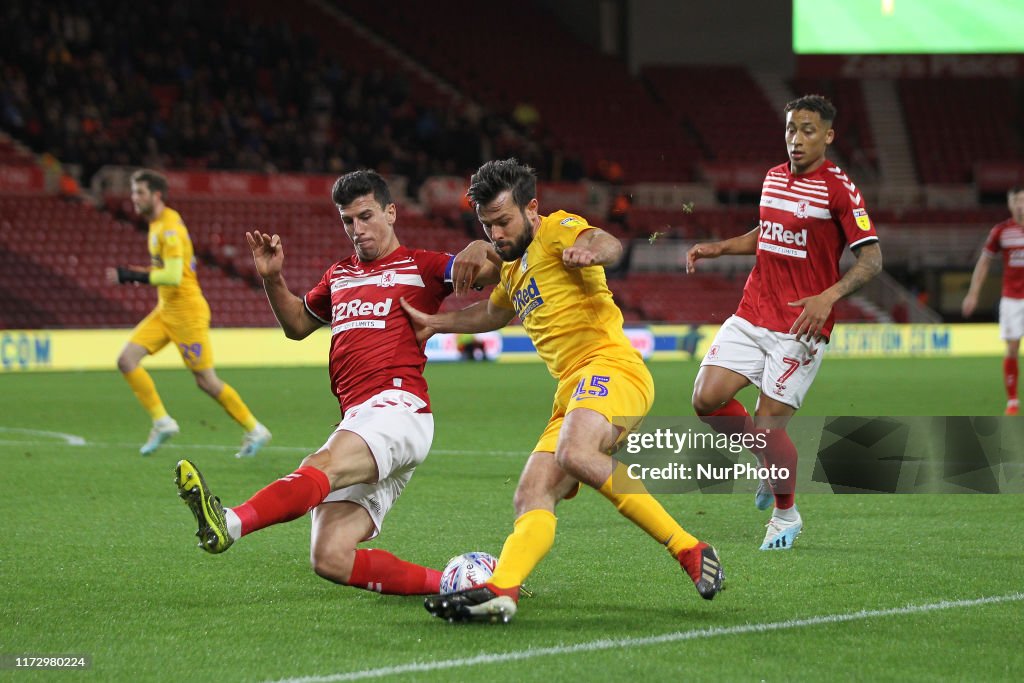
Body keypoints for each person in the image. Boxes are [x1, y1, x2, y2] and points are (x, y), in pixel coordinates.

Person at [402, 159, 723, 624]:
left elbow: (605, 241)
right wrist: (436, 323)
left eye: (503, 221)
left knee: (575, 452)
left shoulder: (558, 230)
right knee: (531, 494)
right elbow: (491, 315)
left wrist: (591, 252)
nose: (496, 235)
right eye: (486, 225)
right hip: (572, 391)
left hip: (613, 367)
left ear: (532, 208)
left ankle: (690, 549)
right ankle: (502, 590)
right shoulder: (513, 269)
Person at [175, 170, 498, 596]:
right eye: (348, 221)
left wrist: (479, 245)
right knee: (330, 557)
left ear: (391, 212)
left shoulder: (422, 266)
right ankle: (458, 587)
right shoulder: (339, 275)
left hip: (399, 409)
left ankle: (230, 523)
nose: (357, 229)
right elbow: (296, 325)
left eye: (365, 216)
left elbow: (491, 270)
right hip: (359, 418)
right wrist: (272, 278)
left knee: (320, 464)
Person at [686, 95, 883, 550]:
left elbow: (871, 260)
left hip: (799, 326)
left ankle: (786, 514)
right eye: (791, 128)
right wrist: (718, 248)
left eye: (808, 130)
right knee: (705, 400)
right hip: (753, 310)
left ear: (828, 136)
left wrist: (828, 297)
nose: (796, 138)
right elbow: (766, 234)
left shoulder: (840, 190)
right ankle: (773, 466)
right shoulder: (773, 178)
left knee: (770, 427)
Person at [107, 169, 271, 457]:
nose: (134, 198)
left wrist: (128, 274)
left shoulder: (169, 229)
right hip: (166, 310)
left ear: (156, 195)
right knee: (126, 360)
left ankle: (255, 429)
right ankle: (162, 421)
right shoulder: (158, 224)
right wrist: (134, 275)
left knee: (206, 381)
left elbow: (171, 276)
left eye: (140, 192)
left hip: (186, 313)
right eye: (133, 192)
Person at [962, 186, 1024, 415]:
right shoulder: (1001, 231)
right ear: (1009, 204)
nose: (1019, 205)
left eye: (1023, 200)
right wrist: (973, 293)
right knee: (1012, 349)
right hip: (1012, 299)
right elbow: (985, 261)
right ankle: (1013, 401)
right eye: (1015, 200)